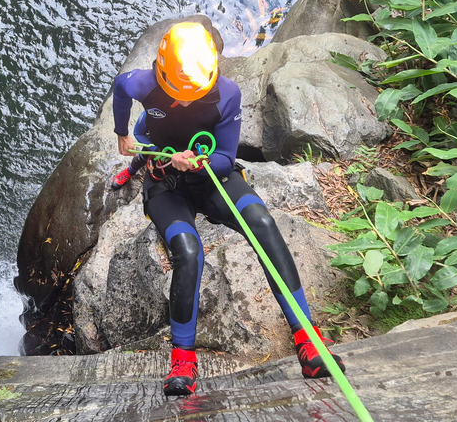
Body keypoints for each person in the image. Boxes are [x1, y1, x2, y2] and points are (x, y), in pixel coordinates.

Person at [111, 21, 345, 396]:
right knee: (188, 252)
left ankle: (306, 335)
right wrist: (122, 132)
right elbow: (120, 89)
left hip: (210, 177)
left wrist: (197, 162)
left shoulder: (226, 93)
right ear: (161, 72)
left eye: (192, 94)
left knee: (262, 223)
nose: (185, 101)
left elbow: (225, 156)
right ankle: (183, 359)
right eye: (177, 93)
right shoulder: (143, 83)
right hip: (165, 184)